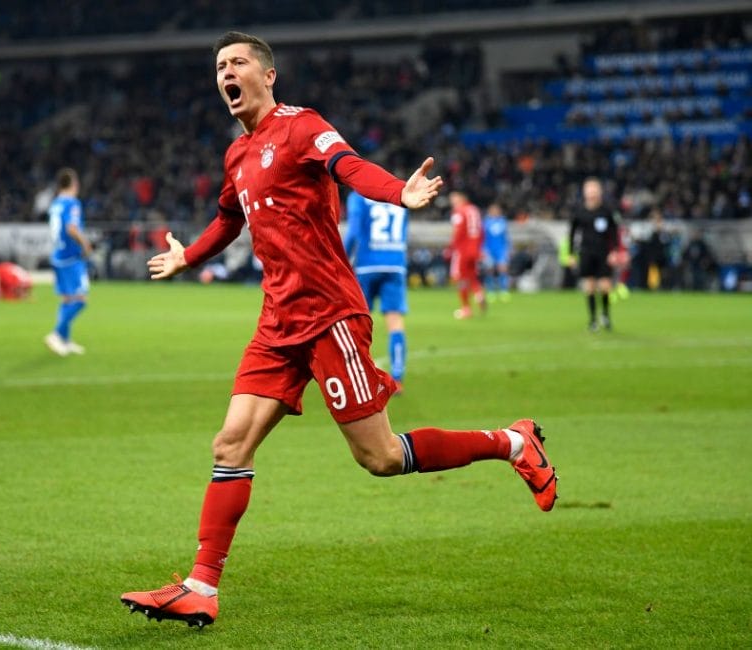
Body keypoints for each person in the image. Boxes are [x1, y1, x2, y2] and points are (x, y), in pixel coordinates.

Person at [120, 31, 558, 629]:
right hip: (277, 322)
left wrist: (398, 192)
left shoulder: (301, 127)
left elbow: (347, 166)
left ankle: (512, 441)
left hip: (329, 316)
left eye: (238, 62)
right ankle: (201, 586)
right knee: (230, 445)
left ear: (267, 75)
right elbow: (228, 219)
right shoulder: (237, 156)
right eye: (220, 65)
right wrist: (188, 257)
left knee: (379, 457)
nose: (227, 71)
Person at [342, 190, 409, 392]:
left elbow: (353, 231)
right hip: (395, 265)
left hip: (367, 266)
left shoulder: (358, 197)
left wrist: (342, 259)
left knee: (359, 321)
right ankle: (397, 378)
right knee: (395, 322)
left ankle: (357, 376)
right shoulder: (399, 196)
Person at [44, 167, 92, 356]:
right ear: (74, 184)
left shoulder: (55, 203)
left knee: (67, 299)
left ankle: (64, 340)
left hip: (58, 255)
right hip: (71, 257)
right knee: (81, 300)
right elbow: (71, 228)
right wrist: (85, 244)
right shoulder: (72, 203)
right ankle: (56, 334)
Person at [568, 178, 619, 331]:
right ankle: (592, 320)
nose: (591, 193)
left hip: (604, 253)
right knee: (589, 286)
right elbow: (572, 233)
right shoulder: (579, 211)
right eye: (589, 190)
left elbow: (614, 232)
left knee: (605, 286)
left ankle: (605, 315)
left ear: (599, 191)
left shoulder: (607, 210)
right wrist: (571, 254)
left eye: (594, 190)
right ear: (585, 192)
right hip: (586, 252)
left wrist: (614, 251)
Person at [446, 191, 486, 319]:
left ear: (462, 198)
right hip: (475, 249)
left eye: (454, 198)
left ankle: (466, 309)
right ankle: (479, 294)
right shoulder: (474, 210)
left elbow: (457, 230)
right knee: (472, 276)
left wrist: (451, 246)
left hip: (462, 249)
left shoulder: (459, 211)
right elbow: (481, 230)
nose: (452, 202)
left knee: (460, 279)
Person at [482, 202, 511, 302]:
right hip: (489, 249)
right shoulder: (486, 223)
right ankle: (490, 291)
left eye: (497, 210)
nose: (495, 212)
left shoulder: (503, 221)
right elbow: (483, 238)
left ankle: (504, 291)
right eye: (493, 210)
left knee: (503, 269)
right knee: (489, 270)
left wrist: (507, 249)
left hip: (501, 250)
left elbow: (505, 237)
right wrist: (483, 250)